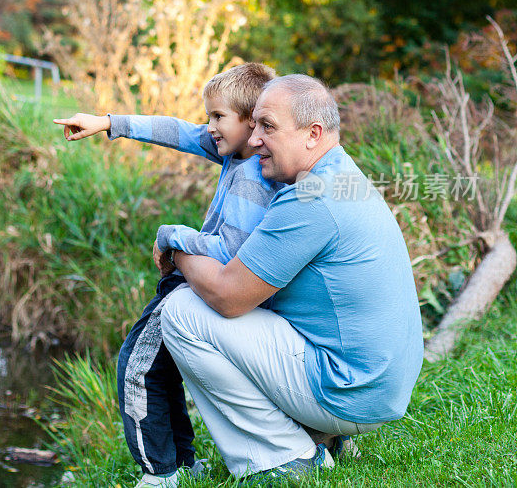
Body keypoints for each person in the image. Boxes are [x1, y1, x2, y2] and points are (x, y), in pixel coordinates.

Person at [158, 74, 424, 483]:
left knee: (181, 310)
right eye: (255, 124)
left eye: (268, 126)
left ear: (313, 134)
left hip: (352, 393)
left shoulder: (311, 197)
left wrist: (177, 251)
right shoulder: (343, 176)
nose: (255, 138)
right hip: (379, 385)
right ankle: (323, 434)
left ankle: (285, 456)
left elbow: (229, 295)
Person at [53, 63, 279, 487]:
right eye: (208, 116)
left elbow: (231, 252)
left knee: (137, 367)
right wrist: (106, 123)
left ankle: (159, 474)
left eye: (217, 117)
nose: (209, 126)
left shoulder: (253, 177)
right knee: (161, 367)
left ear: (252, 122)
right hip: (197, 281)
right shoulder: (238, 150)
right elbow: (175, 131)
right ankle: (182, 464)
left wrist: (171, 237)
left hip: (201, 284)